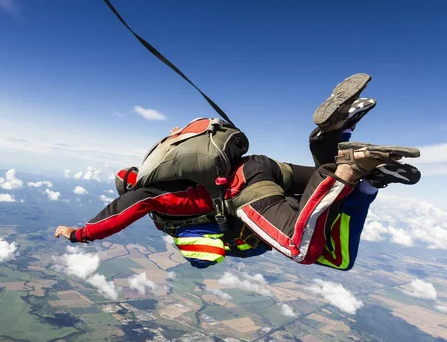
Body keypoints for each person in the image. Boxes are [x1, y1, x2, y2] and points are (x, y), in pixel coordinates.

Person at [55, 74, 420, 269]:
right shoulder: (175, 166)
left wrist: (79, 234)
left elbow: (119, 214)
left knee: (303, 248)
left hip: (246, 188)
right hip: (265, 166)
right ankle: (339, 135)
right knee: (333, 194)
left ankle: (351, 167)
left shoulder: (149, 195)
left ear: (128, 186)